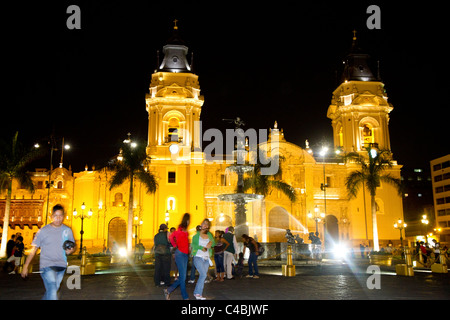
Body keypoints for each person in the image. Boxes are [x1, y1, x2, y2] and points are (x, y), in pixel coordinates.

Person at [21, 204, 76, 300]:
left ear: (64, 216)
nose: (58, 218)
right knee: (52, 290)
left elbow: (73, 246)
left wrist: (71, 250)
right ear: (51, 217)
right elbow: (34, 249)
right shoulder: (43, 231)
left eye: (60, 215)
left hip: (61, 265)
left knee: (52, 291)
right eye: (56, 215)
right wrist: (26, 266)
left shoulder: (67, 230)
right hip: (47, 265)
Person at [164, 213, 190, 300]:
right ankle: (185, 297)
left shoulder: (186, 230)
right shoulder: (179, 230)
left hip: (185, 254)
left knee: (183, 277)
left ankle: (168, 290)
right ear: (186, 220)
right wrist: (175, 245)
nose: (189, 221)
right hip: (180, 254)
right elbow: (171, 237)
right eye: (188, 219)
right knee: (182, 278)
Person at [191, 218, 215, 300]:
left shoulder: (209, 235)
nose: (205, 225)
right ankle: (197, 293)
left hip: (206, 258)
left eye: (207, 224)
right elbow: (193, 245)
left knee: (203, 276)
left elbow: (213, 243)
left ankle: (199, 294)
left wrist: (211, 243)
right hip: (198, 257)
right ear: (201, 225)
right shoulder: (196, 235)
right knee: (204, 274)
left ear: (208, 226)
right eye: (204, 223)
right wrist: (202, 247)